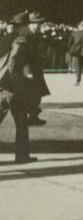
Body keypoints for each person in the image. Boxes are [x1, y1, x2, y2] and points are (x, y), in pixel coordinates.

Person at [0, 11, 45, 163]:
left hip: (2, 85)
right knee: (21, 122)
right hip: (15, 86)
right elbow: (17, 62)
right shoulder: (21, 41)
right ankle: (22, 155)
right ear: (24, 26)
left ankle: (22, 155)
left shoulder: (5, 38)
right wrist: (28, 74)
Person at [68, 20, 83, 85]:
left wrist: (71, 49)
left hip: (76, 53)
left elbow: (70, 43)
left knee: (77, 67)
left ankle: (78, 80)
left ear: (79, 26)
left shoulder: (74, 33)